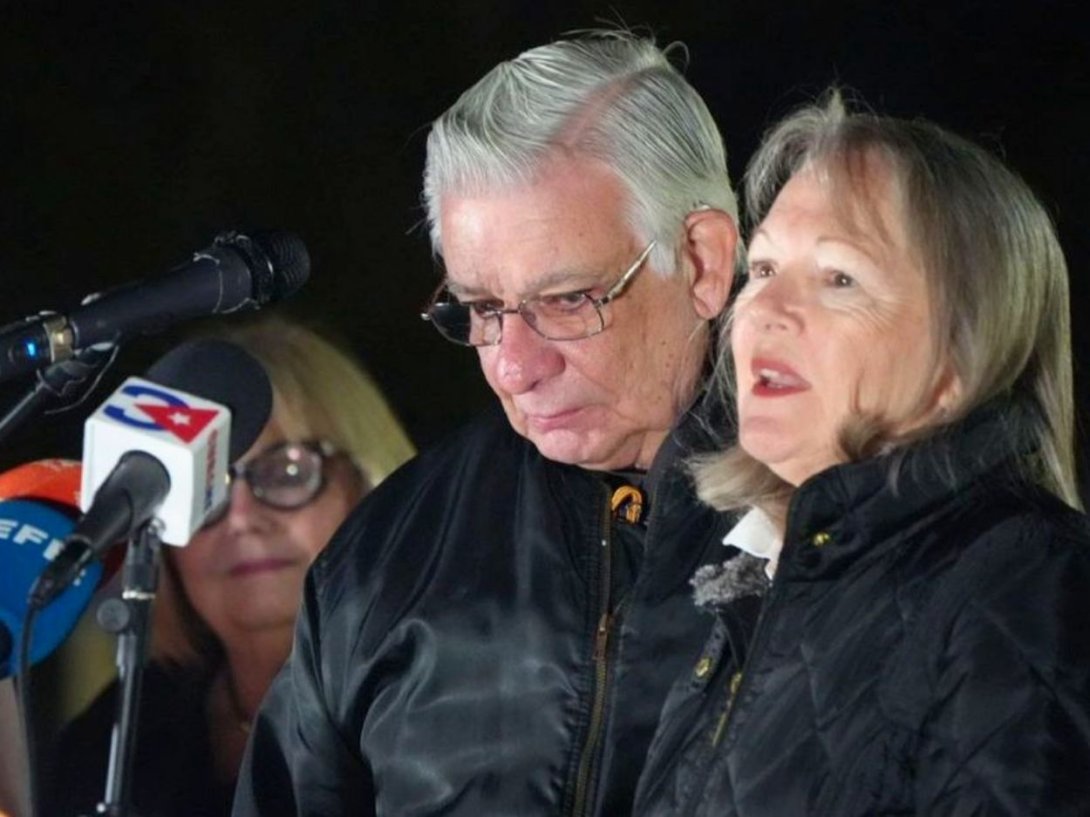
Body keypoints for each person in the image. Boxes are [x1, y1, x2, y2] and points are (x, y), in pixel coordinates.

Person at [234, 30, 741, 816]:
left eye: (568, 299)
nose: (512, 365)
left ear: (703, 261)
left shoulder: (853, 518)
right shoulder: (382, 557)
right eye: (481, 309)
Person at [633, 91, 1090, 816]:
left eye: (839, 277)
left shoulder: (1025, 581)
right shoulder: (755, 581)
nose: (768, 309)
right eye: (763, 269)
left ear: (958, 358)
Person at [47, 315, 415, 817]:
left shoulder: (439, 701)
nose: (241, 518)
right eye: (206, 488)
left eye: (287, 472)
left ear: (370, 487)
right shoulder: (117, 735)